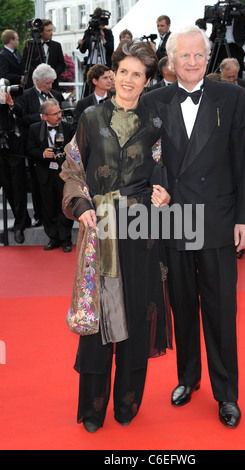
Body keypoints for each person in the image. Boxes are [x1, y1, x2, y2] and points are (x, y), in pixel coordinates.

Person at [142, 25, 245, 428]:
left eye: (198, 55)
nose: (192, 62)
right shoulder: (153, 100)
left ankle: (227, 393)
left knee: (222, 310)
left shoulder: (233, 95)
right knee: (183, 306)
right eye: (184, 56)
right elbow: (147, 160)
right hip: (173, 220)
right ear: (170, 61)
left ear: (206, 58)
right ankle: (188, 378)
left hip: (219, 218)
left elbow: (244, 158)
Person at [60, 41, 172, 432]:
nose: (128, 79)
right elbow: (73, 168)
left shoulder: (156, 122)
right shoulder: (90, 117)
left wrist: (163, 191)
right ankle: (93, 408)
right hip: (100, 230)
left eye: (137, 74)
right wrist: (81, 205)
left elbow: (161, 166)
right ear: (112, 74)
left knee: (138, 312)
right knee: (100, 315)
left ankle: (128, 401)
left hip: (141, 229)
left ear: (147, 80)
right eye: (122, 71)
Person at [17, 63, 64, 228]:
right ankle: (40, 215)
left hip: (56, 144)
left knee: (58, 184)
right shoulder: (25, 95)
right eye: (47, 83)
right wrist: (43, 117)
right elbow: (21, 119)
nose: (50, 86)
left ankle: (60, 216)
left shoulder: (56, 94)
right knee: (38, 184)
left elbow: (62, 115)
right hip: (35, 146)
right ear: (37, 81)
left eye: (52, 83)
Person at [26, 98, 74, 252]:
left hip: (64, 173)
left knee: (64, 205)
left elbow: (76, 149)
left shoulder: (68, 127)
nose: (59, 116)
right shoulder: (34, 129)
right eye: (54, 114)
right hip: (45, 173)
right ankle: (53, 238)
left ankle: (66, 239)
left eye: (59, 112)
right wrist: (42, 153)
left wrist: (67, 153)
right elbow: (29, 149)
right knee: (48, 206)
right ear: (44, 116)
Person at [0, 88, 31, 244]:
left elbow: (20, 114)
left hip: (14, 148)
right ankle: (22, 219)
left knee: (18, 187)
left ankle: (20, 225)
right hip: (1, 152)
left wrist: (10, 102)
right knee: (8, 187)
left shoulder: (13, 96)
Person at [209, 0, 245, 77]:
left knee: (236, 76)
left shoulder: (244, 9)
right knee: (213, 73)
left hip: (236, 48)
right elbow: (215, 29)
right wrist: (209, 44)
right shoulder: (219, 7)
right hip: (219, 46)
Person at [78, 7, 114, 97]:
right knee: (89, 89)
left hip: (104, 64)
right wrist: (81, 44)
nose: (102, 23)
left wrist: (103, 39)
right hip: (91, 65)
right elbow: (83, 50)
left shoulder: (108, 33)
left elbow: (110, 50)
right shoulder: (89, 32)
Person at [21, 20, 65, 90]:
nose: (51, 33)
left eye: (51, 30)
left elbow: (61, 64)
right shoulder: (30, 45)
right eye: (48, 31)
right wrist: (36, 75)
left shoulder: (56, 46)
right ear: (41, 32)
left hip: (52, 85)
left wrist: (53, 75)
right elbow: (24, 63)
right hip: (35, 84)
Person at [72, 64, 114, 131]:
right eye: (105, 78)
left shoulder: (118, 98)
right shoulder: (83, 104)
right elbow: (76, 128)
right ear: (95, 81)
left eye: (109, 77)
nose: (109, 81)